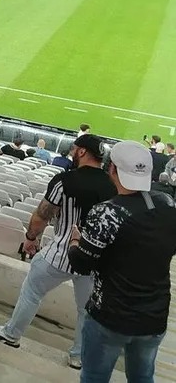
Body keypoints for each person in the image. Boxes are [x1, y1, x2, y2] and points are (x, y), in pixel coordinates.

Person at [0, 134, 116, 370]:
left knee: (32, 291)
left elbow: (42, 215)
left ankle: (12, 334)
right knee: (86, 310)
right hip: (94, 260)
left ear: (83, 152)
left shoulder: (64, 180)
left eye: (75, 148)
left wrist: (30, 238)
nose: (73, 152)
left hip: (60, 254)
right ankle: (78, 356)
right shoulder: (111, 185)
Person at [68, 141, 176, 382]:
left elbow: (81, 264)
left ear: (112, 170)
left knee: (94, 377)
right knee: (143, 377)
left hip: (109, 317)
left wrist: (75, 242)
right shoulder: (169, 207)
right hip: (153, 318)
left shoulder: (106, 212)